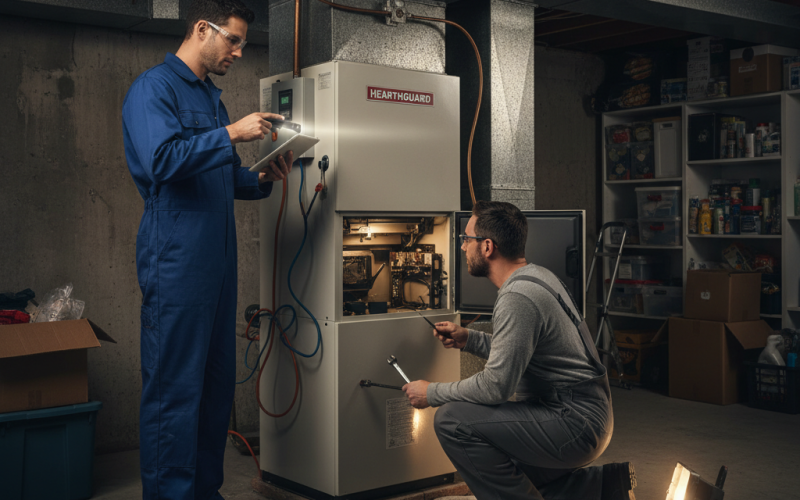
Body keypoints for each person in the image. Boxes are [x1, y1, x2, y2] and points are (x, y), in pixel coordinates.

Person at [121, 1, 293, 498]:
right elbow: (160, 161)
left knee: (215, 389)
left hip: (217, 264)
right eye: (233, 40)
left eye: (242, 43)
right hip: (176, 260)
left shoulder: (210, 99)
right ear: (202, 29)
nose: (238, 52)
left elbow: (220, 174)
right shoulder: (153, 89)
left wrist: (261, 178)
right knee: (174, 390)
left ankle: (204, 491)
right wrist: (231, 133)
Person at [402, 201, 636, 500]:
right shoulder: (537, 275)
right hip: (584, 415)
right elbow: (522, 350)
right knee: (502, 467)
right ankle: (602, 487)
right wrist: (469, 339)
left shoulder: (517, 296)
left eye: (466, 239)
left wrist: (431, 393)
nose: (462, 247)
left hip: (575, 422)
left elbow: (495, 387)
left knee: (452, 421)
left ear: (487, 247)